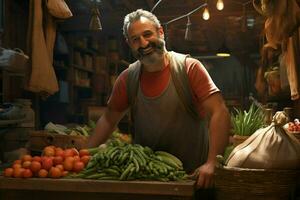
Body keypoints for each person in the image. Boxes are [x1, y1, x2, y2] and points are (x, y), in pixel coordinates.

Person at [87, 9, 231, 189]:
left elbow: (219, 112)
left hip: (194, 180)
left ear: (160, 32)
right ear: (129, 44)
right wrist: (84, 155)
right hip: (147, 180)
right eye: (135, 39)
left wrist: (211, 163)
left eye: (147, 34)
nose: (143, 43)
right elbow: (109, 119)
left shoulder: (188, 69)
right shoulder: (127, 79)